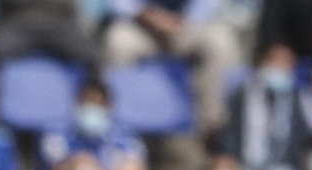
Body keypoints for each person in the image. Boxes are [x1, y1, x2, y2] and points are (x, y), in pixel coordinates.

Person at [101, 0, 243, 132]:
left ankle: (215, 130)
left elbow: (207, 5)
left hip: (185, 27)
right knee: (118, 41)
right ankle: (120, 130)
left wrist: (179, 21)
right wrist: (144, 14)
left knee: (221, 41)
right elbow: (120, 4)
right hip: (143, 28)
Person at [220, 44, 309, 170]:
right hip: (244, 169)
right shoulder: (243, 93)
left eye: (285, 63)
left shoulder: (298, 96)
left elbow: (304, 137)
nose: (279, 67)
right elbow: (229, 132)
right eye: (275, 61)